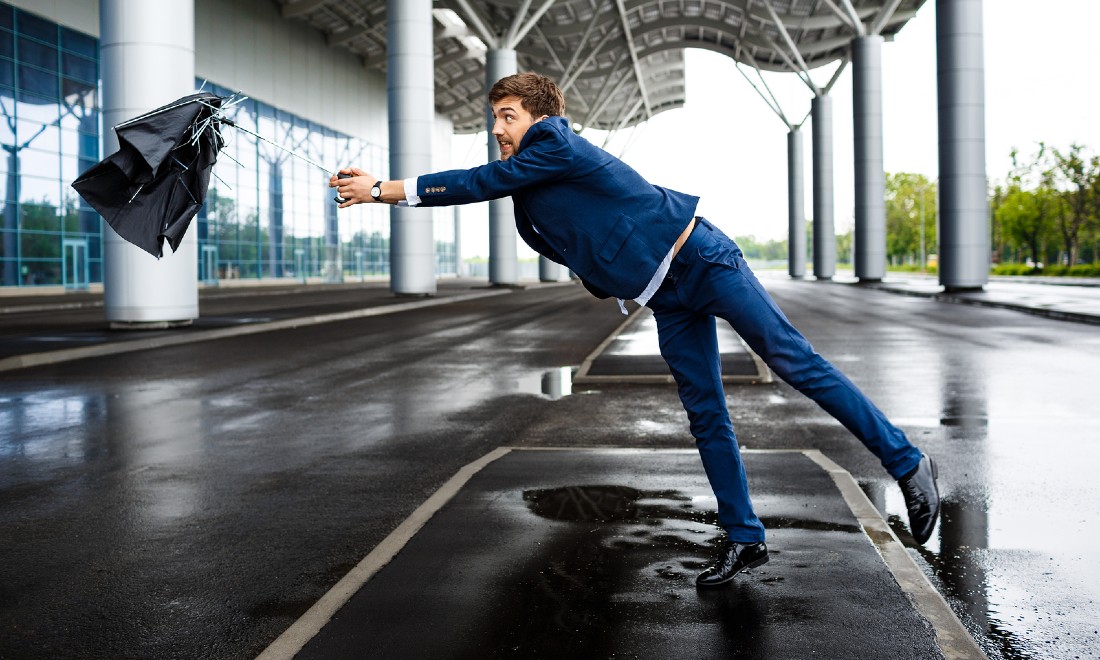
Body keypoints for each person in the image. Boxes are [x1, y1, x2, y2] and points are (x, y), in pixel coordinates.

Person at [330, 72, 941, 588]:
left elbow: (477, 182)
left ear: (540, 118)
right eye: (494, 117)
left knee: (794, 362)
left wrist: (384, 190)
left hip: (703, 259)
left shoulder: (554, 145)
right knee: (705, 413)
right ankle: (744, 536)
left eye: (507, 116)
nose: (497, 129)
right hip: (666, 294)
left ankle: (908, 463)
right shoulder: (532, 182)